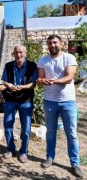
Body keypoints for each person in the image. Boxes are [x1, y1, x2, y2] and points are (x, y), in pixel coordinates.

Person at [37, 35, 83, 178]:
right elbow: (39, 78)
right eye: (50, 43)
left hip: (68, 101)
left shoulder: (69, 58)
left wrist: (53, 81)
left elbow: (69, 77)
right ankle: (50, 157)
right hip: (49, 100)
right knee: (50, 132)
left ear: (61, 44)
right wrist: (42, 80)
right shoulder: (43, 60)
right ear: (47, 45)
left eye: (55, 42)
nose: (52, 45)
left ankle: (75, 163)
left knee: (72, 133)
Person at [0, 45, 37, 162]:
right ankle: (10, 149)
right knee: (7, 125)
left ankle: (23, 151)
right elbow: (5, 81)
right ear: (13, 54)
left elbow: (34, 84)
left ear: (25, 53)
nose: (19, 55)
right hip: (10, 98)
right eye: (16, 52)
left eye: (21, 52)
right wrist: (8, 85)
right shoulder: (8, 65)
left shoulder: (32, 66)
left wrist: (22, 87)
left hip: (25, 99)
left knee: (26, 128)